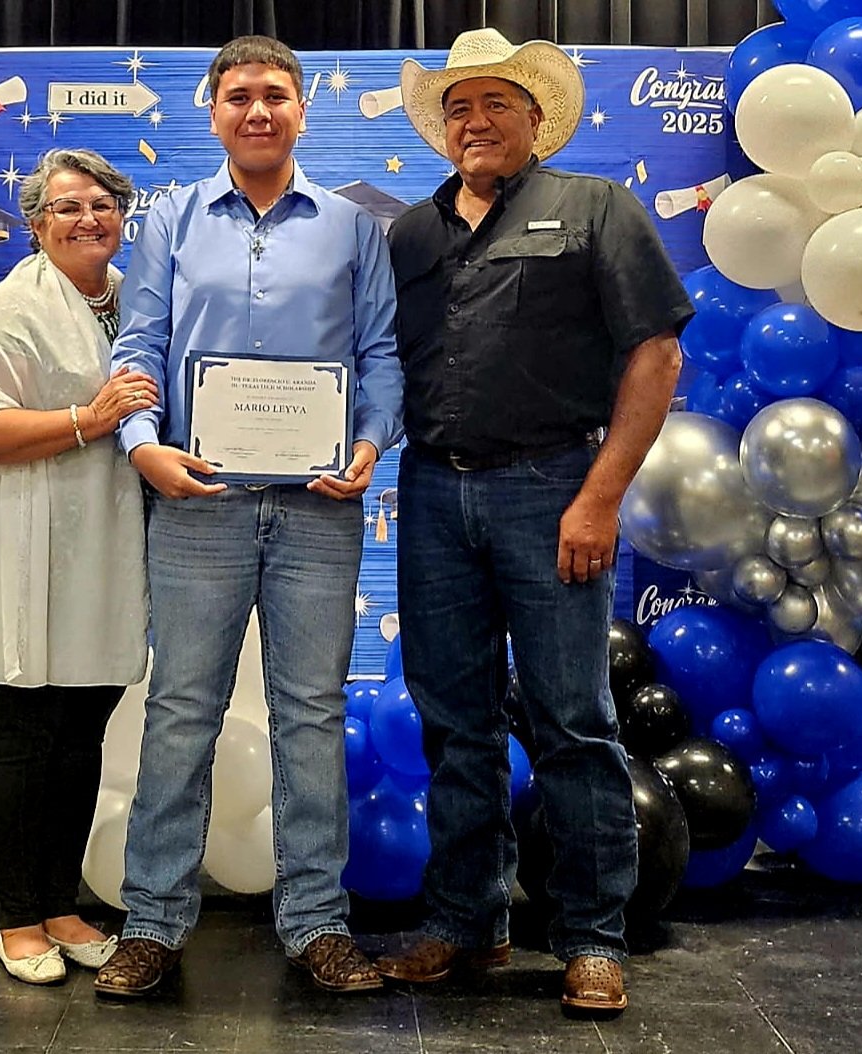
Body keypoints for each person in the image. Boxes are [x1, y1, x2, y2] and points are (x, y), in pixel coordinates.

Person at [373, 29, 693, 1014]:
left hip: (552, 489)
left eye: (495, 104)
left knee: (573, 724)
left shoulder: (595, 208)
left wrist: (596, 496)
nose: (475, 121)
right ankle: (464, 921)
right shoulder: (409, 235)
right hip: (429, 496)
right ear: (442, 128)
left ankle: (590, 936)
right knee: (453, 724)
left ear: (535, 117)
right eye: (459, 107)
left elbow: (653, 357)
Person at [92, 35, 403, 998]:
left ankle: (315, 924)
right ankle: (151, 923)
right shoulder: (170, 221)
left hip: (317, 509)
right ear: (212, 110)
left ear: (302, 109)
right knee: (180, 711)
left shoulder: (353, 229)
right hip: (198, 504)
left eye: (274, 95)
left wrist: (366, 442)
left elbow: (382, 354)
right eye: (238, 96)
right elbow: (137, 348)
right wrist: (141, 444)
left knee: (311, 715)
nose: (257, 111)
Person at [0, 148, 158, 986]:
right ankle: (17, 919)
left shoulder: (138, 301)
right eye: (66, 207)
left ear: (122, 215)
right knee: (19, 739)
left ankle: (62, 904)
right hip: (7, 551)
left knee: (78, 737)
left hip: (103, 548)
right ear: (35, 225)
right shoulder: (8, 309)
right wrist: (86, 418)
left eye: (101, 204)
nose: (87, 219)